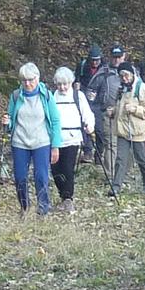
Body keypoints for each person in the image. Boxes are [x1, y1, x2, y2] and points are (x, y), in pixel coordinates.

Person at [2, 63, 62, 217]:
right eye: (24, 80)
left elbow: (55, 121)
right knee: (20, 177)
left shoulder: (46, 95)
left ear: (37, 78)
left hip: (41, 142)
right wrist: (6, 123)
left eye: (30, 80)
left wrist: (55, 146)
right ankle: (24, 206)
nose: (27, 84)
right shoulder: (16, 96)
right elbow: (10, 120)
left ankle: (43, 207)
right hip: (20, 142)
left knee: (41, 176)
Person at [51, 66, 94, 213]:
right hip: (55, 139)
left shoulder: (78, 96)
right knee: (55, 169)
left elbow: (87, 113)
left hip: (72, 138)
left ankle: (68, 198)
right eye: (59, 84)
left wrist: (89, 125)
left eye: (65, 84)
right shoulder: (52, 97)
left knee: (67, 168)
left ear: (71, 82)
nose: (62, 87)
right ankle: (63, 195)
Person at [108, 62, 145, 195]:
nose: (124, 78)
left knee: (142, 159)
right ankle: (116, 187)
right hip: (123, 130)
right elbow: (120, 107)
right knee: (120, 160)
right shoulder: (121, 89)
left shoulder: (141, 88)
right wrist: (113, 112)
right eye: (121, 76)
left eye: (126, 75)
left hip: (137, 131)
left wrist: (134, 109)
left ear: (132, 74)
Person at [86, 45, 124, 179]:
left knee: (127, 145)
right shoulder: (103, 73)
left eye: (119, 57)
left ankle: (122, 173)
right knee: (111, 144)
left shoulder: (131, 72)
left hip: (127, 114)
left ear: (124, 57)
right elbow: (91, 91)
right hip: (107, 114)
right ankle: (110, 175)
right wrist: (92, 109)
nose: (116, 60)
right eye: (114, 57)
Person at [74, 45, 104, 162]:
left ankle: (99, 155)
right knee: (85, 126)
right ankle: (88, 152)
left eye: (97, 59)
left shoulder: (104, 68)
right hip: (85, 100)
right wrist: (77, 86)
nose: (95, 62)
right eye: (93, 59)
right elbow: (77, 79)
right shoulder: (82, 66)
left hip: (99, 102)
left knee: (99, 130)